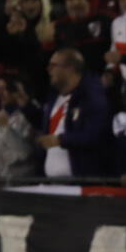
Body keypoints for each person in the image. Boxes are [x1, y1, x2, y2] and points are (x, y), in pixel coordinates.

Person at [32, 48, 111, 178]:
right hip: (50, 185)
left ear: (70, 68)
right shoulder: (53, 98)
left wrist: (61, 140)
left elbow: (96, 136)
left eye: (53, 65)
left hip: (81, 185)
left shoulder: (92, 98)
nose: (48, 70)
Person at [54, 0, 113, 74]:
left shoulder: (104, 20)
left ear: (88, 0)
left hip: (99, 77)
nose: (75, 3)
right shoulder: (60, 26)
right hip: (71, 79)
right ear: (65, 3)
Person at [0, 75, 41, 178]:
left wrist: (13, 115)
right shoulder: (0, 116)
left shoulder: (33, 110)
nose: (0, 93)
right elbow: (0, 151)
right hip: (3, 176)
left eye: (5, 89)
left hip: (25, 175)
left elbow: (34, 138)